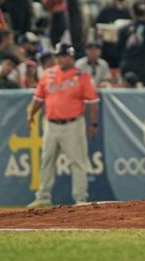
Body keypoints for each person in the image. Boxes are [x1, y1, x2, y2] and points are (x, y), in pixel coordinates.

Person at [27, 43, 99, 208]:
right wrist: (31, 113)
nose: (61, 59)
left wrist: (93, 124)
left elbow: (93, 102)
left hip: (73, 124)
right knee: (47, 160)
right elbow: (38, 97)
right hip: (51, 124)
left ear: (72, 57)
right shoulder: (47, 74)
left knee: (78, 162)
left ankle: (80, 199)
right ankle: (43, 196)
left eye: (64, 55)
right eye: (59, 55)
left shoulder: (82, 76)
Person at [117, 2, 145, 86]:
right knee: (143, 94)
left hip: (127, 66)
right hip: (142, 67)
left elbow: (118, 49)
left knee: (125, 93)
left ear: (132, 13)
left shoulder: (124, 29)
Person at [95, 0, 132, 69]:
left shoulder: (127, 12)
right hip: (107, 49)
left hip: (122, 49)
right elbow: (97, 28)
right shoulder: (105, 12)